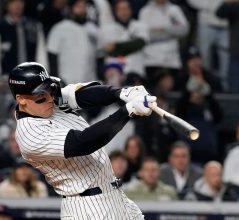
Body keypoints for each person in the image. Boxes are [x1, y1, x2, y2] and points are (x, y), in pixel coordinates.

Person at [8, 62, 156, 219]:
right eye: (41, 96)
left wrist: (122, 93)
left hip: (115, 195)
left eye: (50, 90)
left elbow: (83, 95)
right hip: (87, 207)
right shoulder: (29, 135)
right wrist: (128, 110)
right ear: (21, 99)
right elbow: (83, 142)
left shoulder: (48, 101)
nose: (50, 98)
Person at [47, 0, 99, 83]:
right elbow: (52, 56)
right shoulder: (59, 28)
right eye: (78, 7)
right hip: (66, 82)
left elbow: (99, 56)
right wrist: (55, 81)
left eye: (84, 6)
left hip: (89, 82)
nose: (82, 10)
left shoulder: (93, 29)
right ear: (71, 9)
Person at [0, 0, 47, 75]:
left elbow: (41, 52)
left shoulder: (34, 25)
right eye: (14, 2)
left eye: (20, 1)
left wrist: (43, 73)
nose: (18, 5)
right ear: (6, 5)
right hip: (7, 76)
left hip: (31, 76)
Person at [100, 0, 149, 77]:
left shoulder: (140, 26)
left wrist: (116, 46)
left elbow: (140, 43)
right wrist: (130, 45)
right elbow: (109, 51)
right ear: (115, 12)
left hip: (136, 72)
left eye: (126, 8)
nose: (124, 12)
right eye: (121, 9)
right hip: (115, 74)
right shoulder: (107, 29)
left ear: (131, 10)